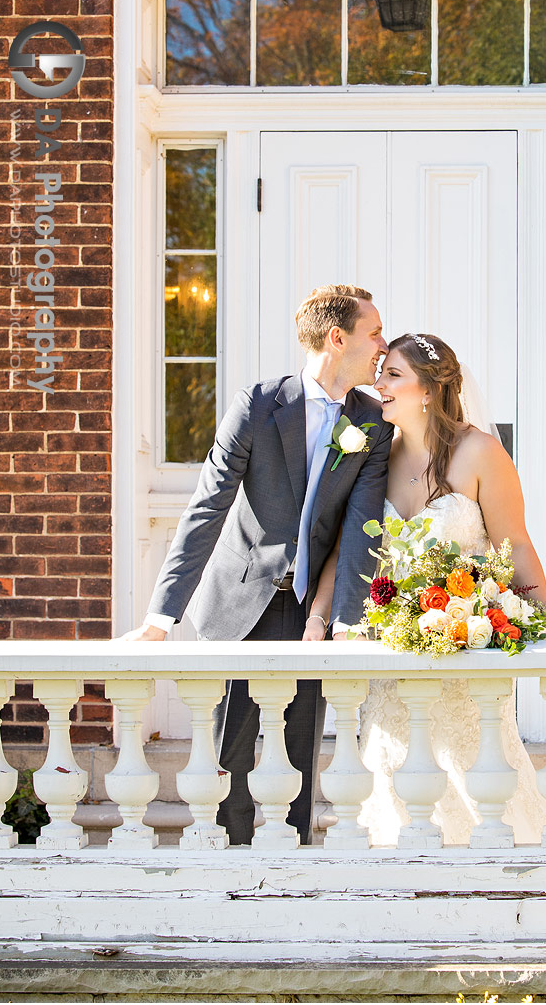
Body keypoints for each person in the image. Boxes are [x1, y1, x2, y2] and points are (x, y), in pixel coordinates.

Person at [122, 284, 393, 846]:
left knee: (303, 749)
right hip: (243, 600)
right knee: (234, 753)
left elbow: (361, 526)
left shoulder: (372, 422)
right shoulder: (259, 404)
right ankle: (231, 866)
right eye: (374, 334)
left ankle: (295, 868)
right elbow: (206, 510)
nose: (382, 348)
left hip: (311, 609)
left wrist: (343, 621)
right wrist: (160, 617)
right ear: (337, 338)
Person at [305, 331, 546, 845]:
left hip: (463, 650)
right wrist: (318, 616)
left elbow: (516, 544)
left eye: (393, 374)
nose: (379, 384)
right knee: (394, 778)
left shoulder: (481, 453)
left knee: (474, 776)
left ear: (428, 391)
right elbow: (346, 549)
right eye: (381, 373)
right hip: (391, 650)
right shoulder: (375, 455)